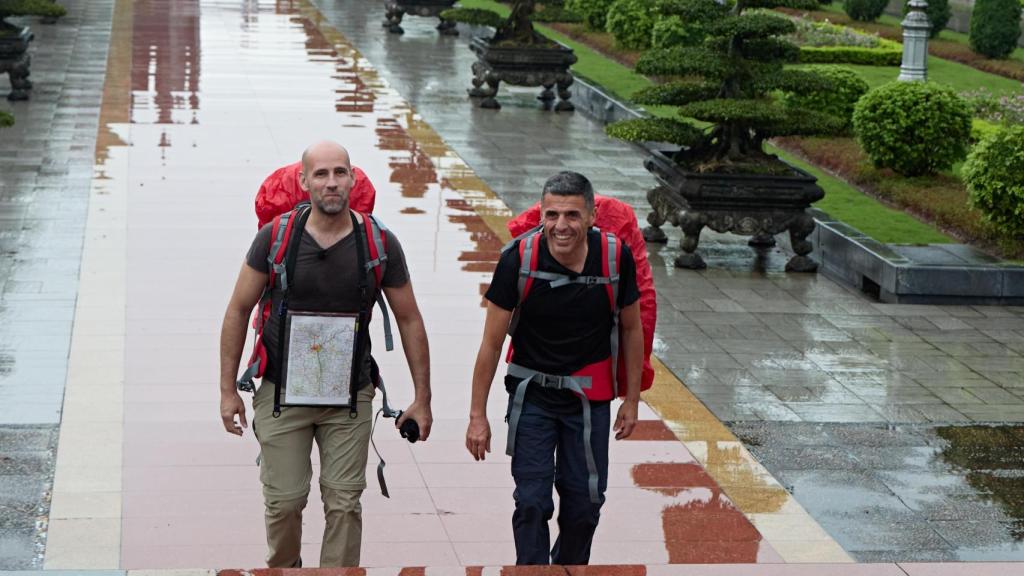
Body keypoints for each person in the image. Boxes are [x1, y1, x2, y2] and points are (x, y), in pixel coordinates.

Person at [219, 140, 432, 568]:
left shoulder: (378, 243)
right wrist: (228, 390)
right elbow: (238, 309)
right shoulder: (275, 238)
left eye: (339, 173)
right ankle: (285, 570)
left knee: (344, 503)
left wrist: (422, 399)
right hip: (282, 393)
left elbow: (410, 319)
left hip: (350, 398)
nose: (331, 183)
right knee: (284, 501)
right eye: (321, 174)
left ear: (353, 179)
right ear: (304, 181)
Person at [465, 171, 642, 565]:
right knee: (531, 502)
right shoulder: (518, 259)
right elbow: (491, 343)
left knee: (585, 504)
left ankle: (567, 568)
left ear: (592, 216)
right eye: (552, 214)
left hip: (589, 399)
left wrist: (632, 399)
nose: (561, 226)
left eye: (572, 215)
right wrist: (477, 416)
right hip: (533, 398)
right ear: (542, 214)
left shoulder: (615, 257)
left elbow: (632, 328)